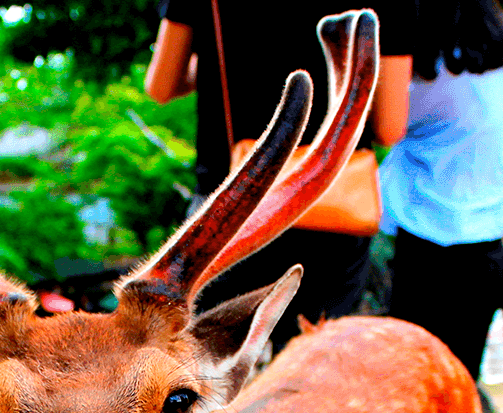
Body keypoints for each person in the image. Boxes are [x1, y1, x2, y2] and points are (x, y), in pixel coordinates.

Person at [144, 0, 416, 352]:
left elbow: (161, 86)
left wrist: (218, 61)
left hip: (228, 210)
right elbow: (390, 126)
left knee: (211, 379)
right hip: (332, 205)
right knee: (312, 376)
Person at [380, 0, 503, 387]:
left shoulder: (429, 71)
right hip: (487, 254)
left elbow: (386, 126)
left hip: (421, 247)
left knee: (406, 390)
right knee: (457, 392)